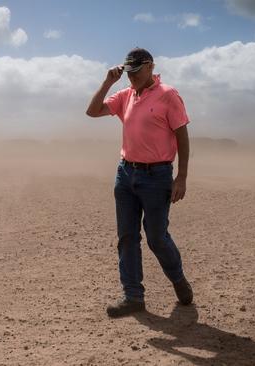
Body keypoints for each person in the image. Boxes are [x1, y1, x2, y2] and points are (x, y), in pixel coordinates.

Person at [85, 47, 193, 318]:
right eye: (128, 73)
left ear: (150, 67)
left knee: (157, 237)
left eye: (136, 72)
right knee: (127, 237)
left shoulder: (168, 95)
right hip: (126, 174)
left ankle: (178, 280)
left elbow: (182, 135)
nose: (131, 77)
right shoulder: (125, 96)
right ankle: (133, 296)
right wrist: (109, 81)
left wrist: (181, 176)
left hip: (156, 176)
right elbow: (92, 111)